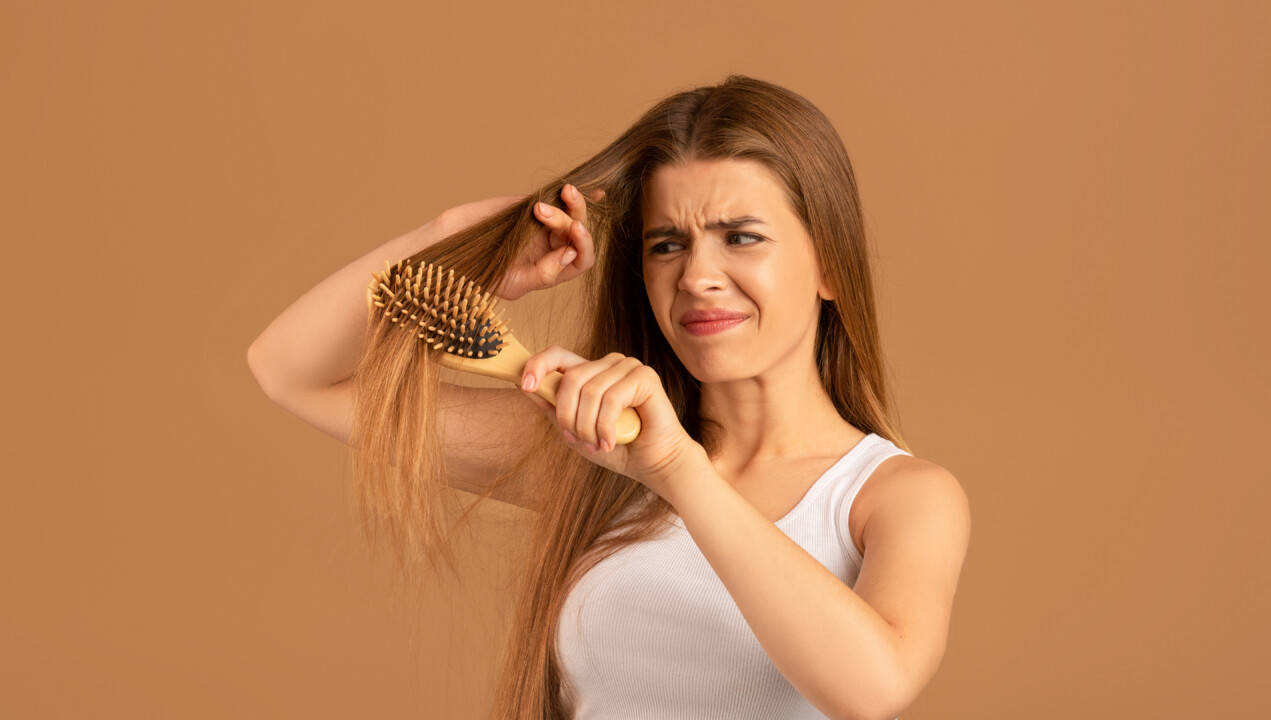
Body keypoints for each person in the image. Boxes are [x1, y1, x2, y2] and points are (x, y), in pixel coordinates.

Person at [248, 74, 970, 720]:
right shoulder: (589, 451)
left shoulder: (897, 496)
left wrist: (677, 469)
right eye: (667, 245)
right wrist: (452, 244)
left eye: (741, 237)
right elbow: (289, 371)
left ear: (831, 266)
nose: (697, 276)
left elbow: (871, 689)